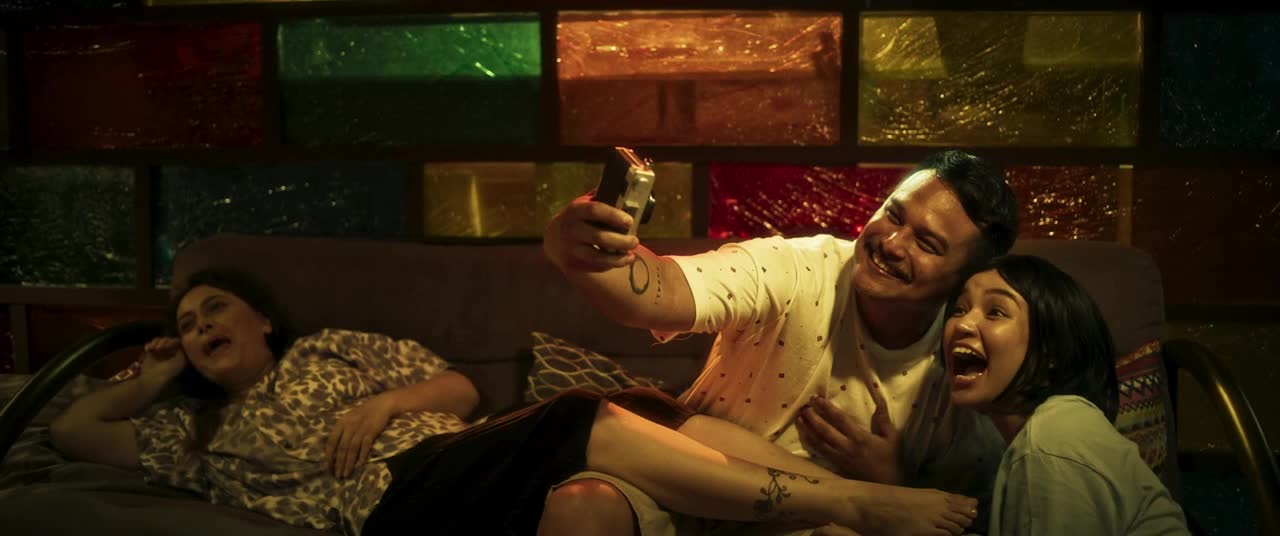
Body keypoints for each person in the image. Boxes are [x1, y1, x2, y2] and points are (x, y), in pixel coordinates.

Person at [48, 269, 979, 536]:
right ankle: (854, 502)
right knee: (578, 415)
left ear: (261, 316)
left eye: (215, 308)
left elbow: (459, 388)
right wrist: (157, 376)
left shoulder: (333, 349)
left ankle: (850, 504)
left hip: (459, 454)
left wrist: (384, 404)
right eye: (187, 324)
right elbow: (70, 429)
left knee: (639, 400)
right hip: (392, 507)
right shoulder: (200, 436)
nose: (202, 325)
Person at [541, 150, 1020, 535]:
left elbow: (969, 511)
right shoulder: (796, 268)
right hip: (685, 483)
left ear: (964, 280)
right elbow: (657, 293)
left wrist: (893, 478)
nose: (892, 243)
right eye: (893, 214)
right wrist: (578, 241)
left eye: (927, 244)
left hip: (815, 524)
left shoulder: (963, 358)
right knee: (583, 506)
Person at [942, 255, 1189, 535]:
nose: (962, 325)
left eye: (995, 312)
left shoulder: (1051, 441)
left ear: (1052, 351)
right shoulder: (1051, 429)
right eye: (959, 309)